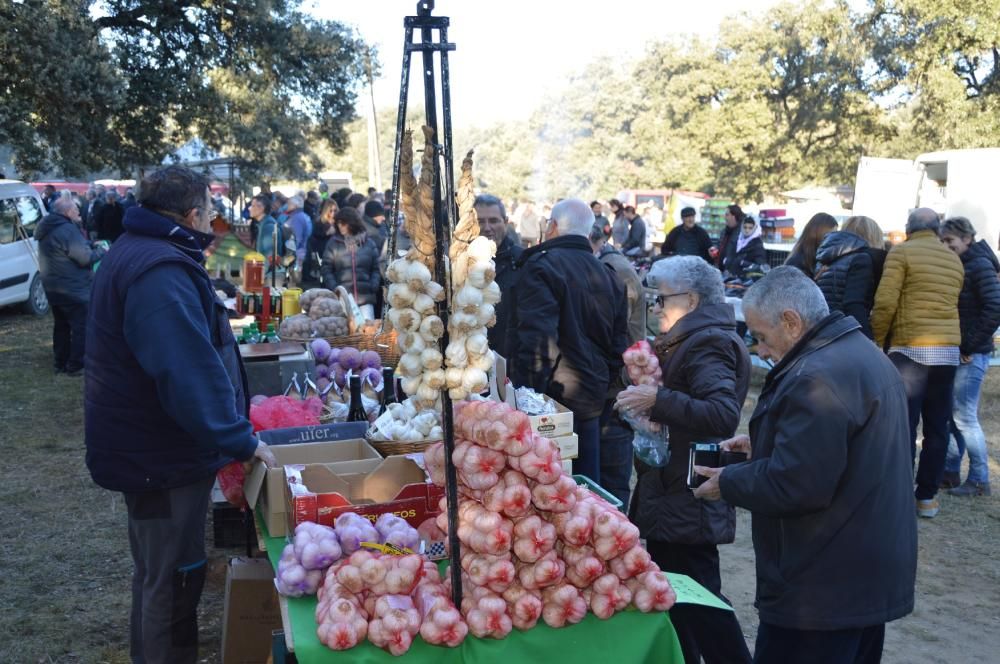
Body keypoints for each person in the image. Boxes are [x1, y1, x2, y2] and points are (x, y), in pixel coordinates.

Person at [84, 165, 276, 664]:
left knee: (162, 573)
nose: (213, 223)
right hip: (158, 457)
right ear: (192, 214)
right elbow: (185, 370)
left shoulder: (145, 251)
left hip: (153, 451)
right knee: (170, 579)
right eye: (211, 214)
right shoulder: (159, 268)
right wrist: (241, 440)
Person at [694, 266, 917, 664]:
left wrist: (728, 482)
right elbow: (844, 452)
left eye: (761, 336)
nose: (759, 350)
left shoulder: (816, 376)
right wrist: (764, 444)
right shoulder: (860, 353)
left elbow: (797, 484)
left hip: (821, 587)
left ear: (792, 323)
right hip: (860, 572)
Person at [616, 256, 752, 664]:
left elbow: (722, 412)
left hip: (690, 489)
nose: (655, 308)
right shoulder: (686, 338)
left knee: (700, 598)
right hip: (673, 486)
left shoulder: (709, 341)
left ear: (690, 300)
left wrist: (658, 400)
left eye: (661, 299)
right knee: (679, 595)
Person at [508, 198, 628, 485]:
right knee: (584, 488)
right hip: (590, 397)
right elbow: (618, 345)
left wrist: (527, 399)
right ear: (588, 233)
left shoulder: (542, 266)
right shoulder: (610, 276)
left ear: (551, 227)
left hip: (551, 403)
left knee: (553, 489)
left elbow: (538, 344)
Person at [871, 208, 964, 518]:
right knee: (938, 427)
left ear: (908, 228)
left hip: (910, 350)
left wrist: (877, 339)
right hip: (947, 353)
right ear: (937, 229)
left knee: (903, 425)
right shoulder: (953, 259)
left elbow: (885, 302)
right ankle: (926, 497)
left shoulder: (902, 253)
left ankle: (898, 494)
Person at [939, 217, 1000, 497]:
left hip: (971, 354)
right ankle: (951, 472)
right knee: (954, 416)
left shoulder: (980, 265)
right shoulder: (963, 263)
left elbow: (995, 307)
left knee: (965, 418)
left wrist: (969, 346)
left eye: (950, 241)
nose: (946, 246)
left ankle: (978, 478)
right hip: (961, 351)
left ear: (967, 238)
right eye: (943, 241)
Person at [588, 225, 647, 506]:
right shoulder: (609, 265)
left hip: (618, 385)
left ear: (597, 241)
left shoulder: (614, 270)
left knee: (612, 476)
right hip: (614, 381)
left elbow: (612, 329)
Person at [35, 196, 106, 376]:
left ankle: (60, 362)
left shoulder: (50, 226)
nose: (78, 212)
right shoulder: (67, 229)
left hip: (54, 287)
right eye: (75, 209)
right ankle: (76, 365)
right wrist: (101, 251)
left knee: (61, 327)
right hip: (73, 289)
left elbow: (68, 249)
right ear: (67, 212)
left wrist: (89, 244)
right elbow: (85, 258)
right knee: (81, 327)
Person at [475, 194, 523, 358]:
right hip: (468, 361)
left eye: (494, 221)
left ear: (506, 222)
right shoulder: (459, 263)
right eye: (480, 221)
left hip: (509, 360)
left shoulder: (522, 261)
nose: (487, 227)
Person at [813, 224, 880, 338]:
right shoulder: (861, 259)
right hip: (846, 332)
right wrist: (870, 342)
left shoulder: (827, 259)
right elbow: (854, 304)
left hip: (824, 330)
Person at [589, 225, 646, 344]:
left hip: (625, 353)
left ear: (588, 238)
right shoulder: (604, 259)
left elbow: (618, 324)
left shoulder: (617, 269)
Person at [321, 207, 381, 319]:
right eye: (338, 223)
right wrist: (335, 288)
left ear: (352, 223)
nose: (340, 226)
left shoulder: (369, 243)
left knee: (367, 333)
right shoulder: (333, 244)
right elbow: (326, 269)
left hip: (365, 298)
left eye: (343, 223)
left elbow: (375, 268)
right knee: (345, 334)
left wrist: (373, 285)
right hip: (343, 299)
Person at [784, 212, 838, 278]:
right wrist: (818, 278)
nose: (833, 238)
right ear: (818, 233)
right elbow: (796, 286)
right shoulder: (797, 260)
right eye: (829, 234)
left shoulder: (819, 255)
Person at [303, 198, 337, 287]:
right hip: (325, 257)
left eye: (335, 210)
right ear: (325, 211)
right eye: (330, 210)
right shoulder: (319, 223)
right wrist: (327, 233)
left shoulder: (338, 223)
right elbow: (316, 240)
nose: (333, 213)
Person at [251, 194, 284, 268]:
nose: (249, 208)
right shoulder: (262, 224)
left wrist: (258, 274)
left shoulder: (268, 227)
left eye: (253, 206)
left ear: (261, 208)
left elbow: (269, 257)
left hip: (268, 276)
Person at [283, 195, 312, 268]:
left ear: (295, 206)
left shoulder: (297, 218)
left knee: (296, 277)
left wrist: (299, 260)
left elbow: (299, 238)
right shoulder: (302, 216)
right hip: (298, 254)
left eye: (289, 204)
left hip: (296, 256)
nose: (287, 206)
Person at [717, 205, 743, 271]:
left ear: (734, 216)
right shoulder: (724, 231)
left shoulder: (743, 233)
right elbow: (719, 246)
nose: (724, 217)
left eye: (727, 215)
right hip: (720, 270)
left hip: (733, 272)